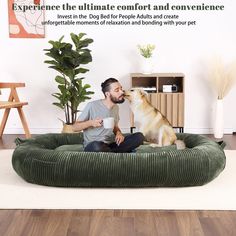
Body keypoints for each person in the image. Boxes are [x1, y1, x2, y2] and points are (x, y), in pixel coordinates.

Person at [72, 78, 144, 152]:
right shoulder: (92, 105)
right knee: (97, 147)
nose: (122, 92)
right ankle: (116, 152)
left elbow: (115, 126)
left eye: (121, 89)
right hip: (93, 145)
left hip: (109, 144)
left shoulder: (116, 108)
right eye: (117, 90)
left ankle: (110, 152)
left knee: (139, 137)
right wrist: (91, 123)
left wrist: (118, 133)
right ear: (107, 94)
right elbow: (74, 127)